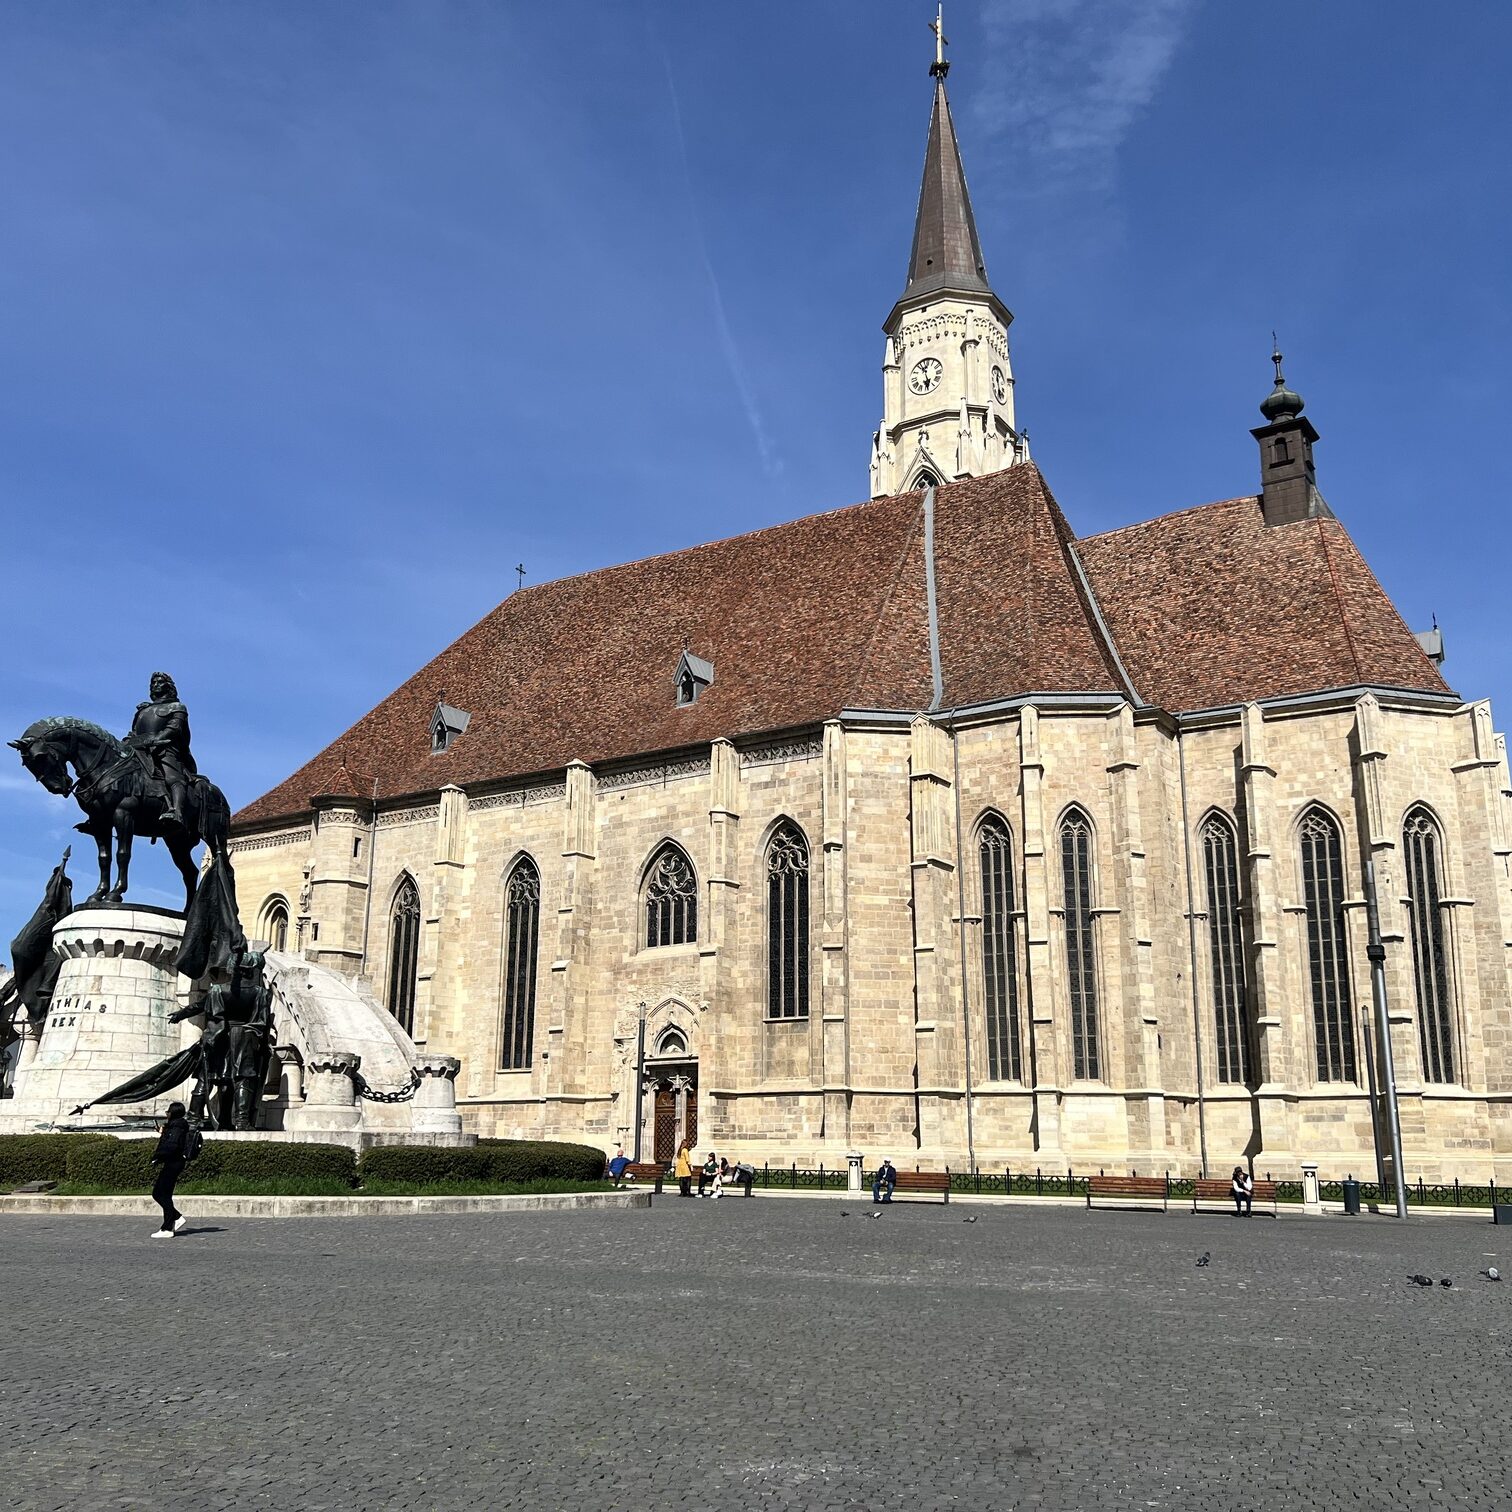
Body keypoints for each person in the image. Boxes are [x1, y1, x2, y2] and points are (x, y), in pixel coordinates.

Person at [123, 672, 197, 830]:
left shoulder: (177, 707)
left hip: (165, 749)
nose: (155, 685)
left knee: (172, 777)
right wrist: (127, 742)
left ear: (168, 686)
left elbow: (174, 728)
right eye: (153, 683)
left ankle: (177, 812)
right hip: (140, 749)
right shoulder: (143, 710)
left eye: (159, 682)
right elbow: (134, 732)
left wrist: (156, 739)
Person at [151, 1101, 192, 1238]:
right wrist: (163, 1132)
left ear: (173, 1113)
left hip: (173, 1163)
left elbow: (172, 1145)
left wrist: (157, 1157)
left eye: (168, 1112)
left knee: (160, 1193)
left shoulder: (177, 1126)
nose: (167, 1114)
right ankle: (175, 1218)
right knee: (162, 1193)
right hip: (174, 1162)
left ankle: (168, 1227)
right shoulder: (177, 1126)